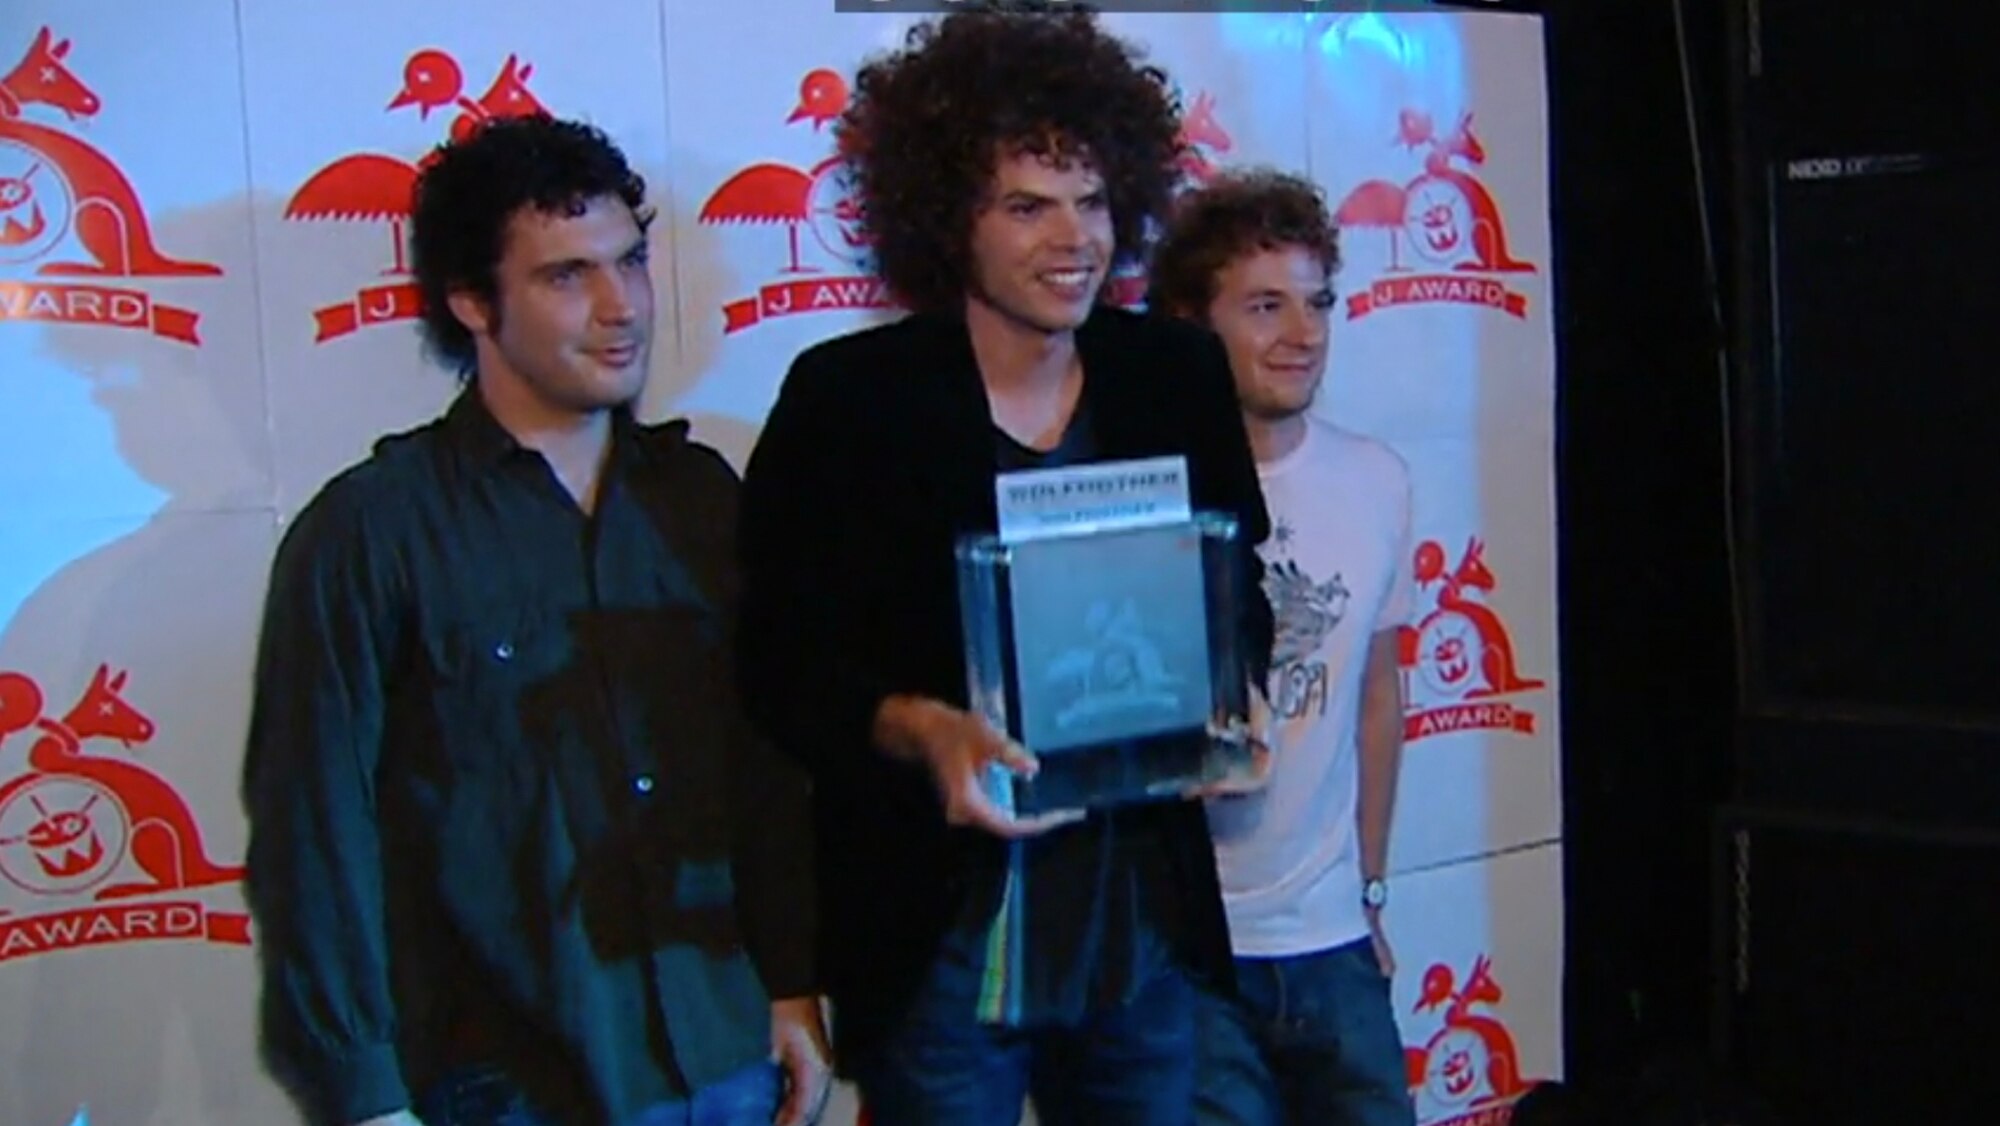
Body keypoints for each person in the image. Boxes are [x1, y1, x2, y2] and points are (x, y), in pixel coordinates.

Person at [732, 8, 1276, 1126]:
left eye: (1089, 200)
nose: (1071, 237)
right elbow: (779, 667)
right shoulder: (846, 400)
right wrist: (919, 728)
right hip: (941, 942)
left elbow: (1239, 589)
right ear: (946, 221)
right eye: (1026, 206)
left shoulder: (1173, 374)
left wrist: (1238, 690)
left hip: (1138, 930)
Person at [241, 114, 831, 1126]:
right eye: (566, 276)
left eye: (630, 262)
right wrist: (367, 1097)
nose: (621, 308)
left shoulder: (700, 501)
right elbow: (314, 836)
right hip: (502, 1085)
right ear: (473, 302)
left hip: (723, 1055)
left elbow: (763, 778)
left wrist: (789, 984)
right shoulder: (368, 534)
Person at [1148, 167, 1418, 1126]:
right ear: (1191, 319)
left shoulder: (1378, 479)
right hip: (1187, 960)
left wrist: (1371, 887)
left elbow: (1378, 696)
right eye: (1265, 305)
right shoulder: (1141, 494)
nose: (1302, 334)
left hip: (1337, 946)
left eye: (1317, 303)